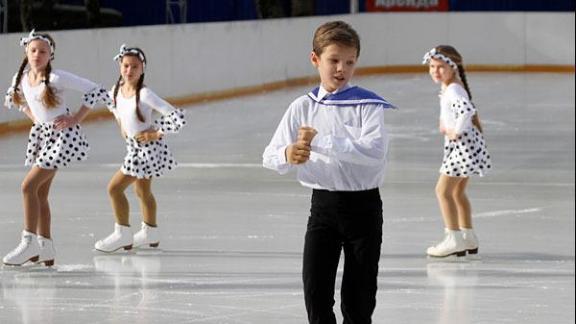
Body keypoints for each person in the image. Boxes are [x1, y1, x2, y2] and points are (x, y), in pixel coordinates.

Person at [263, 21, 395, 324]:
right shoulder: (301, 107)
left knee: (359, 298)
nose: (341, 69)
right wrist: (288, 153)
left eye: (349, 62)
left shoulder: (367, 105)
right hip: (322, 209)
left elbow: (374, 151)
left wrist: (318, 141)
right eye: (333, 60)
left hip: (364, 210)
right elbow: (270, 155)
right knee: (316, 294)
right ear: (315, 59)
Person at [2, 29, 111, 266]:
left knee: (28, 187)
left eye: (43, 51)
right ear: (26, 52)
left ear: (51, 55)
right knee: (40, 193)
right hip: (44, 137)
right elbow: (16, 99)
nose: (37, 55)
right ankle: (46, 248)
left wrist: (75, 119)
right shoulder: (21, 78)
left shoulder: (57, 78)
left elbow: (95, 89)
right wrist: (36, 120)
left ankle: (29, 242)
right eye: (33, 50)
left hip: (63, 139)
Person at [93, 44, 185, 253]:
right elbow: (113, 107)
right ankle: (150, 232)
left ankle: (122, 233)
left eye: (135, 66)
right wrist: (122, 128)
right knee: (143, 191)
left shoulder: (145, 94)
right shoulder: (116, 90)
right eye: (126, 66)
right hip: (134, 147)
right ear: (120, 66)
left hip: (147, 149)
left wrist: (155, 133)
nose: (129, 70)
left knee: (114, 188)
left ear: (142, 69)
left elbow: (176, 116)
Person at [422, 45, 492, 258]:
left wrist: (454, 131)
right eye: (432, 66)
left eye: (441, 67)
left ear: (453, 67)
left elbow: (466, 111)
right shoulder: (452, 87)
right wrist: (445, 123)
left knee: (443, 191)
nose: (435, 71)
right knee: (457, 192)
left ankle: (453, 238)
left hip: (461, 146)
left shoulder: (453, 89)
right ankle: (467, 237)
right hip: (466, 145)